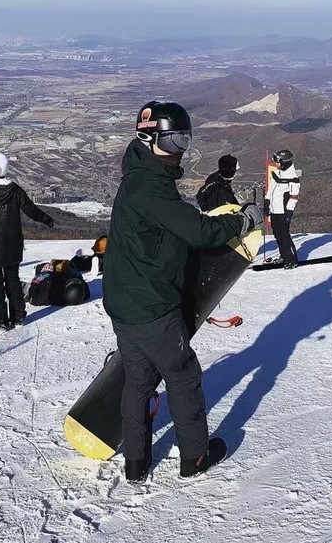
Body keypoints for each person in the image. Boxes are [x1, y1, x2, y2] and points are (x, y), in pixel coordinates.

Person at [103, 101, 262, 483]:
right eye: (174, 141)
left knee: (139, 380)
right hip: (152, 306)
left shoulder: (140, 174)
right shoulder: (151, 188)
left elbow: (171, 230)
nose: (181, 151)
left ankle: (136, 463)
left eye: (185, 141)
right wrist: (244, 220)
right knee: (183, 375)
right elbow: (198, 232)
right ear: (150, 138)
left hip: (126, 301)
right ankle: (195, 456)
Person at [0, 152, 53, 330]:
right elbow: (30, 209)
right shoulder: (14, 190)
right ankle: (18, 317)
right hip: (11, 243)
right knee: (13, 279)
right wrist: (46, 219)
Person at [267, 149, 301, 268]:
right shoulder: (277, 173)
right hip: (274, 209)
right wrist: (267, 201)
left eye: (278, 162)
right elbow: (271, 188)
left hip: (283, 212)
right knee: (277, 234)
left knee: (284, 235)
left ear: (285, 162)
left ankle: (292, 259)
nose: (276, 164)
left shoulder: (293, 178)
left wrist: (289, 212)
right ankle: (283, 256)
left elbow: (293, 197)